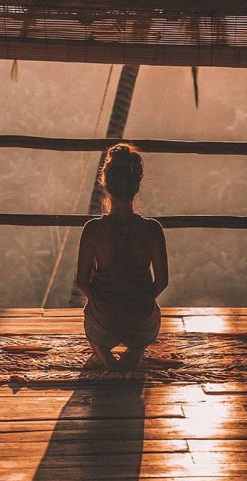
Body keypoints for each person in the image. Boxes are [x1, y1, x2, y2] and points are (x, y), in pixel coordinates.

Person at [76, 143, 169, 372]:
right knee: (146, 319)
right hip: (140, 320)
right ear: (136, 184)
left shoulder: (93, 230)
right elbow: (162, 281)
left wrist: (102, 303)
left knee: (94, 326)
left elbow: (81, 281)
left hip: (104, 320)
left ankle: (104, 352)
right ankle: (136, 349)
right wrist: (139, 301)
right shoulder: (152, 229)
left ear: (105, 183)